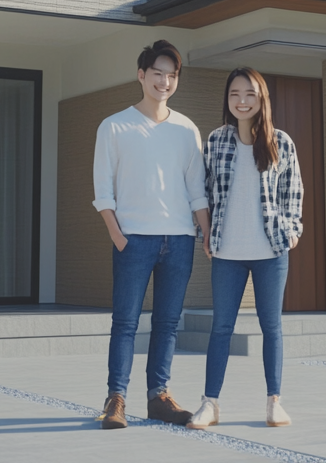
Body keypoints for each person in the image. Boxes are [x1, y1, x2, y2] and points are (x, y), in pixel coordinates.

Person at [93, 39, 211, 430]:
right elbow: (103, 191)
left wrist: (205, 233)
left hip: (178, 240)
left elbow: (197, 189)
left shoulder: (186, 129)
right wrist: (118, 236)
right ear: (141, 75)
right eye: (157, 73)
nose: (164, 81)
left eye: (171, 75)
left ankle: (158, 397)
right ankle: (116, 399)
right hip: (134, 240)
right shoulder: (114, 125)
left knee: (167, 323)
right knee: (125, 322)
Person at [188, 67, 303, 430]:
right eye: (235, 93)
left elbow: (293, 194)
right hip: (226, 252)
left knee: (272, 327)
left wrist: (293, 231)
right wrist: (204, 235)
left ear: (261, 98)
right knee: (221, 328)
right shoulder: (216, 141)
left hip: (271, 251)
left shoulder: (280, 142)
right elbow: (203, 192)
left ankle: (274, 402)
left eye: (250, 94)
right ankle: (210, 403)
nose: (242, 101)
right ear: (227, 98)